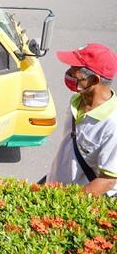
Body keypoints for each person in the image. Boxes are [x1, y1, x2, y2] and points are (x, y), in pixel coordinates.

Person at [45, 43, 117, 197]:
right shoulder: (78, 100)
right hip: (54, 188)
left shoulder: (112, 124)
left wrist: (66, 203)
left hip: (74, 200)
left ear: (94, 81)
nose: (68, 74)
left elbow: (108, 179)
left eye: (74, 73)